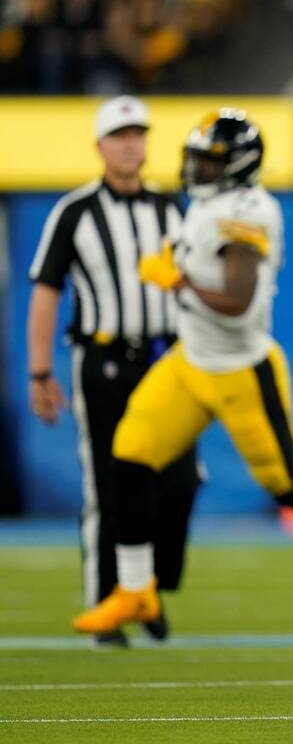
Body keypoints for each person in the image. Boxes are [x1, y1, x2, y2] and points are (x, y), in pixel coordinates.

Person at [71, 109, 293, 636]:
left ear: (236, 166)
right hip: (190, 361)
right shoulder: (208, 203)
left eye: (208, 160)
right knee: (130, 459)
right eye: (196, 157)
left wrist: (177, 281)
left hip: (239, 369)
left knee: (290, 485)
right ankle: (137, 591)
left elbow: (237, 299)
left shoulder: (249, 211)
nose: (196, 168)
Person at [27, 95, 200, 647]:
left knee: (179, 479)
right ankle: (109, 601)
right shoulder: (75, 211)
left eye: (138, 134)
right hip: (101, 360)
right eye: (119, 135)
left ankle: (147, 584)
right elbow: (46, 291)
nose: (130, 144)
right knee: (107, 483)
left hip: (166, 358)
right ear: (100, 146)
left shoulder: (171, 207)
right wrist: (38, 372)